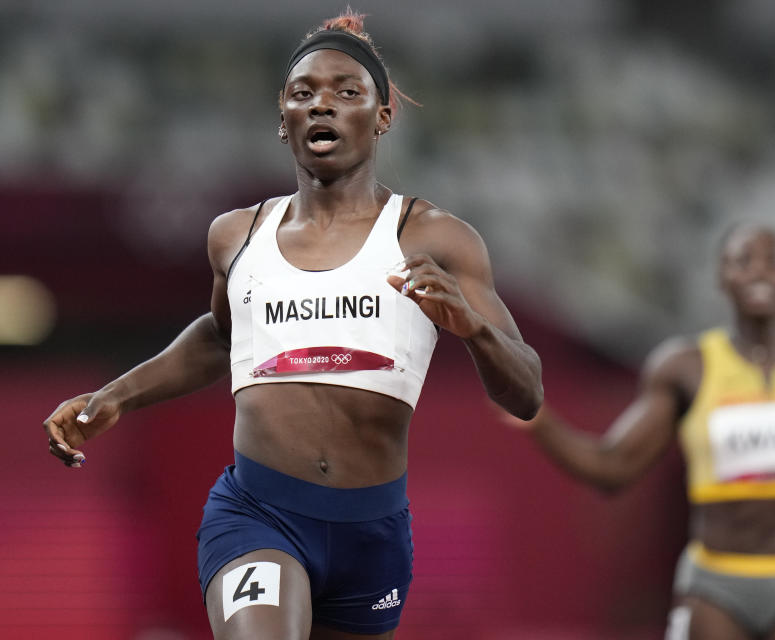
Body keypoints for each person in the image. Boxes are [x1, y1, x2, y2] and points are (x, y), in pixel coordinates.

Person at [43, 11, 542, 640]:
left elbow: (525, 392)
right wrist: (114, 395)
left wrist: (473, 328)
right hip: (258, 513)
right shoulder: (237, 236)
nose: (322, 106)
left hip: (372, 532)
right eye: (303, 94)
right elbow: (224, 337)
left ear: (382, 114)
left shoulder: (435, 236)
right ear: (284, 120)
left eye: (347, 92)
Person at [509, 224, 775, 639]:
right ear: (722, 277)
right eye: (743, 261)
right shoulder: (686, 369)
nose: (760, 273)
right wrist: (540, 422)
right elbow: (612, 469)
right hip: (716, 587)